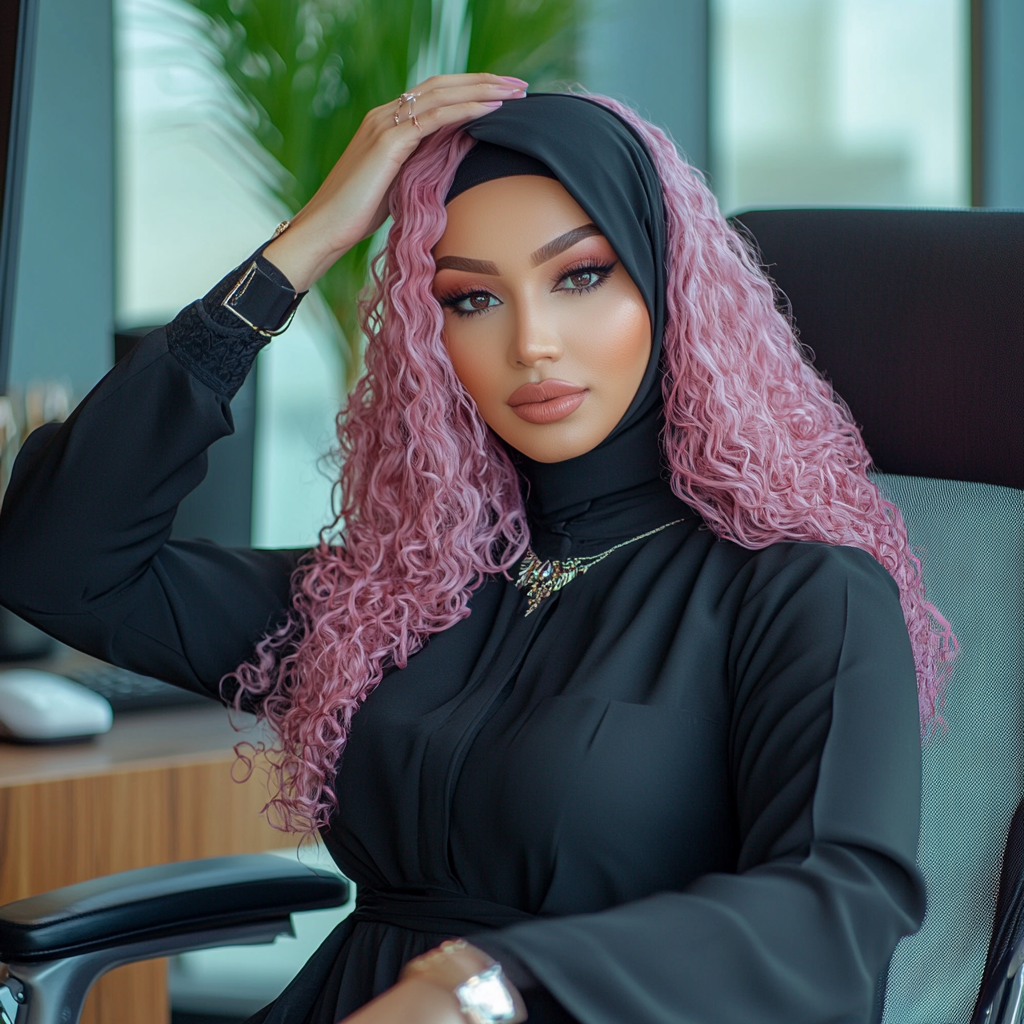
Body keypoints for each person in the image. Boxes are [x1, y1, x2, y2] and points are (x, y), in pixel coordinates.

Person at [0, 76, 954, 1024]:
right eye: (469, 299)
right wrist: (304, 247)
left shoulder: (805, 591)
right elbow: (57, 562)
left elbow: (836, 918)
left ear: (669, 291)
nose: (533, 343)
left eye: (581, 276)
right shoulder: (391, 594)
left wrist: (486, 987)